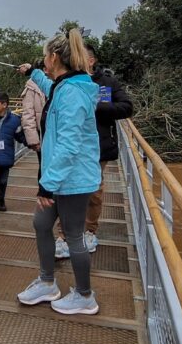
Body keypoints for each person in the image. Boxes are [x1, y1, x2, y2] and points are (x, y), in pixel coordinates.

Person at [15, 29, 101, 315]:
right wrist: (33, 72)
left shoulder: (73, 93)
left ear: (54, 57)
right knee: (41, 224)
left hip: (72, 179)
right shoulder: (65, 86)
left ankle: (85, 296)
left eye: (44, 59)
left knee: (74, 235)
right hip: (60, 177)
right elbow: (48, 84)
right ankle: (47, 282)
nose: (43, 63)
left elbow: (69, 144)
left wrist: (47, 184)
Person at [55, 43, 135, 259]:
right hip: (71, 145)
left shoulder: (107, 83)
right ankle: (64, 236)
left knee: (93, 192)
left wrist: (95, 105)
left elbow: (127, 107)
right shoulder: (66, 80)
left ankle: (90, 231)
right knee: (67, 189)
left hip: (98, 147)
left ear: (91, 60)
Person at [0, 92, 25, 220]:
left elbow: (20, 136)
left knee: (3, 181)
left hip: (6, 157)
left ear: (4, 105)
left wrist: (33, 143)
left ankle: (1, 199)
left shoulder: (14, 120)